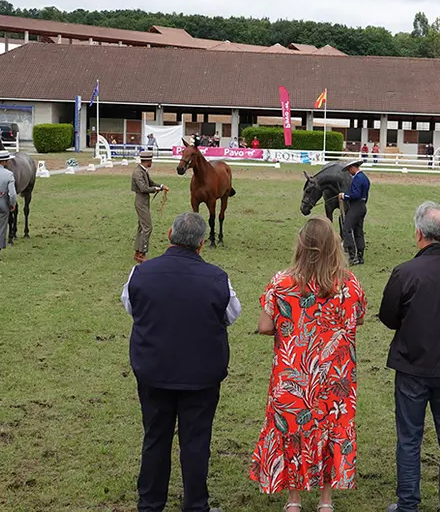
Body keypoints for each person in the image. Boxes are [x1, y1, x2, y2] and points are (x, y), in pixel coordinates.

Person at [122, 212, 241, 512]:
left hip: (154, 370)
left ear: (168, 235)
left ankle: (150, 504)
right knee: (196, 442)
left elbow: (132, 308)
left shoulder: (140, 273)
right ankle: (195, 505)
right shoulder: (217, 278)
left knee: (155, 437)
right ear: (202, 244)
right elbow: (231, 315)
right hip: (200, 375)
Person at [250, 217, 366, 512]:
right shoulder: (349, 284)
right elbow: (359, 318)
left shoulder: (282, 283)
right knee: (331, 429)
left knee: (292, 431)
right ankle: (326, 500)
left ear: (301, 245)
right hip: (335, 377)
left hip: (294, 374)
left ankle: (294, 499)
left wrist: (291, 327)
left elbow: (264, 327)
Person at [379, 201, 440, 512]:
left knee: (409, 438)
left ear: (419, 233)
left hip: (412, 365)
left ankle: (408, 504)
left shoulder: (405, 272)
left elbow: (388, 316)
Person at [131, 151, 168, 264]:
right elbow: (143, 188)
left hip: (144, 201)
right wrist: (156, 189)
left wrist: (161, 186)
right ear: (147, 161)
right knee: (147, 227)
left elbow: (150, 182)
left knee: (141, 227)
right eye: (151, 161)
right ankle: (142, 253)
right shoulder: (138, 172)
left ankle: (137, 252)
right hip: (141, 201)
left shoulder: (143, 171)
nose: (151, 162)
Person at [337, 160, 370, 265]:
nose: (349, 172)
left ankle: (352, 255)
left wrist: (344, 196)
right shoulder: (365, 178)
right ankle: (360, 256)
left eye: (349, 169)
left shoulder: (357, 178)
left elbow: (355, 194)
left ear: (352, 167)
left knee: (346, 229)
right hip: (362, 206)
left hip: (355, 206)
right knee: (358, 231)